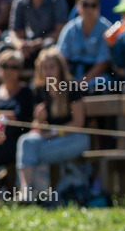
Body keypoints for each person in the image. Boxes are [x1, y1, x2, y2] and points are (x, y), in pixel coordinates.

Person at [17, 49, 87, 202]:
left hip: (74, 138)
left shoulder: (71, 87)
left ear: (60, 68)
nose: (48, 71)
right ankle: (26, 191)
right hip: (48, 141)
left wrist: (54, 133)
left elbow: (78, 123)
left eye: (52, 67)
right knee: (25, 141)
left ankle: (37, 195)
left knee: (30, 153)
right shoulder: (39, 91)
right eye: (45, 67)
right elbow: (36, 129)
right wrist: (39, 120)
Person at [4, 0, 68, 67]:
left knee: (49, 44)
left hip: (48, 45)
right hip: (27, 48)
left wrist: (38, 43)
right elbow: (13, 31)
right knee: (5, 48)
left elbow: (60, 31)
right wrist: (20, 44)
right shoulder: (19, 2)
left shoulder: (57, 0)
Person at [0, 50, 34, 174]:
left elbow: (21, 116)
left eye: (14, 67)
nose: (9, 71)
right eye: (5, 66)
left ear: (20, 70)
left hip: (18, 142)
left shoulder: (26, 92)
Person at [57, 0, 112, 85]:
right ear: (77, 6)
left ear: (98, 7)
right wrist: (69, 79)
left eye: (93, 5)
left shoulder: (106, 29)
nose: (89, 9)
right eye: (85, 4)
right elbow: (62, 58)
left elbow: (104, 63)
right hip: (72, 75)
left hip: (96, 77)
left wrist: (83, 82)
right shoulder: (70, 28)